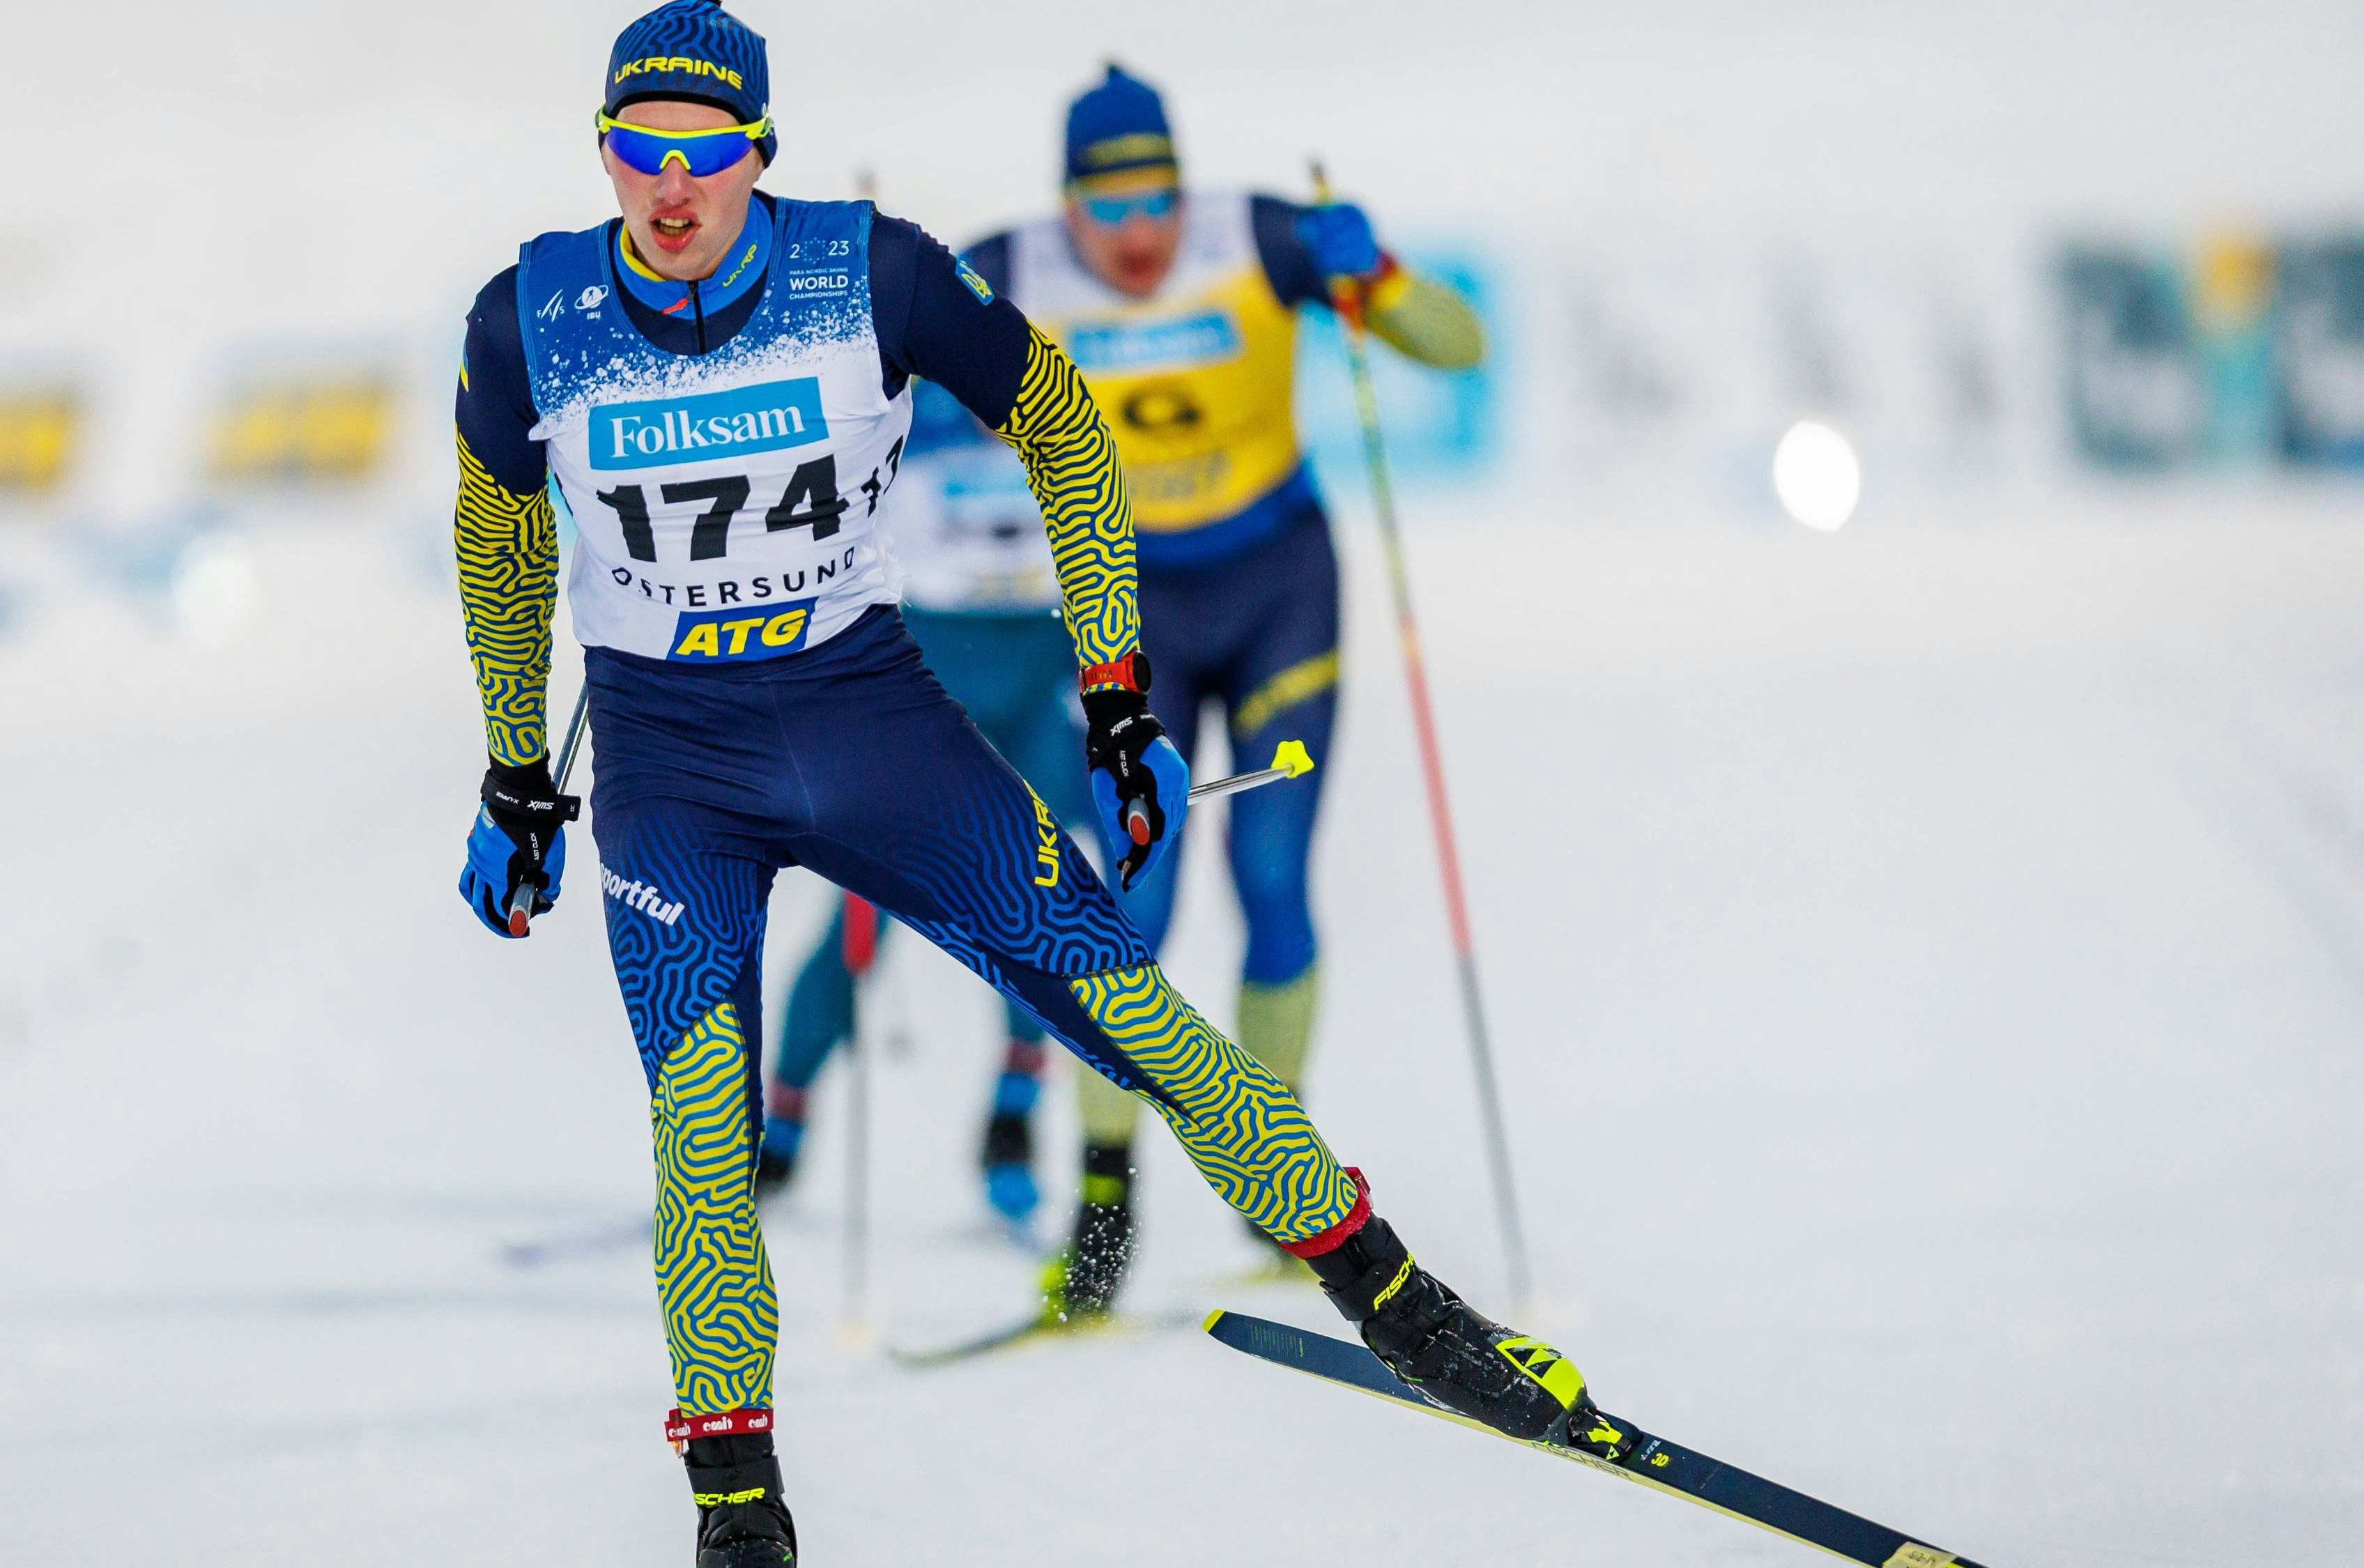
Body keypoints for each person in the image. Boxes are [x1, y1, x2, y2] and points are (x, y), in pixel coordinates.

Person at [451, 6, 1607, 1562]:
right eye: (639, 154)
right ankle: (738, 1518)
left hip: (868, 719)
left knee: (1132, 1012)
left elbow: (1062, 428)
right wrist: (516, 770)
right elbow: (503, 537)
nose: (672, 192)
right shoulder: (529, 312)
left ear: (758, 153)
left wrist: (1115, 690)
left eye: (707, 154)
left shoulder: (869, 269)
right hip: (675, 765)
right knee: (700, 1124)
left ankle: (1400, 1305)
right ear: (602, 152)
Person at [958, 64, 1487, 1318]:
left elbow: (1458, 349)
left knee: (1272, 880)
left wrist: (1383, 278)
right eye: (1111, 209)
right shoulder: (1008, 267)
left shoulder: (1255, 235)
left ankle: (1279, 1187)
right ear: (1067, 201)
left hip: (1275, 586)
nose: (1140, 237)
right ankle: (1104, 1209)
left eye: (1159, 203)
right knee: (1122, 907)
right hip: (1123, 611)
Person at [752, 377, 1091, 1229]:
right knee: (864, 918)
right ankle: (780, 1125)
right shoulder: (902, 415)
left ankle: (1012, 1116)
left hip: (1036, 686)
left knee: (1037, 905)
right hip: (931, 684)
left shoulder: (1065, 409)